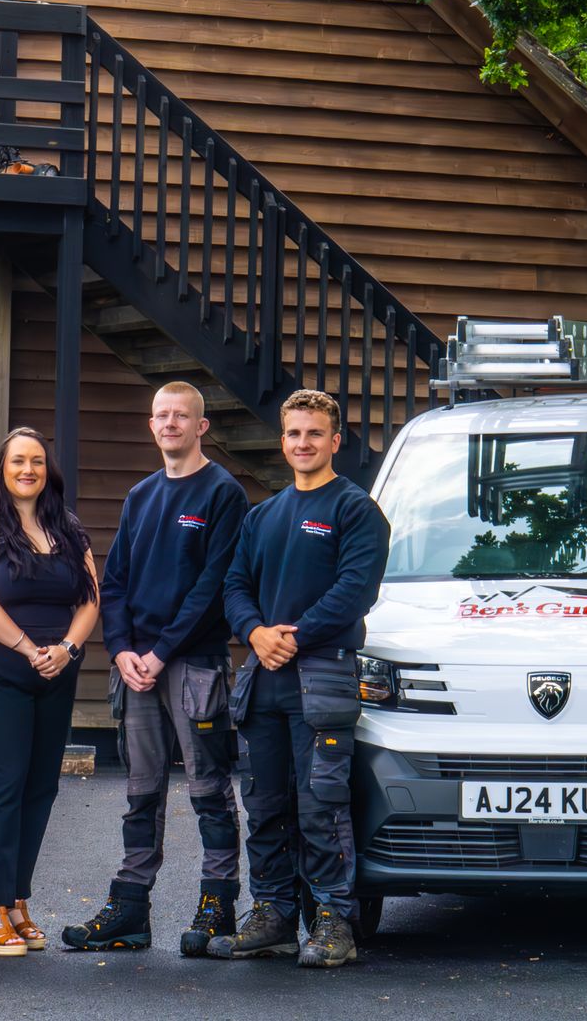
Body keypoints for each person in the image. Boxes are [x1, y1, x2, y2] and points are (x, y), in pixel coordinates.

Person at [63, 382, 249, 955]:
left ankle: (217, 905)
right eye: (161, 415)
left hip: (191, 665)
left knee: (208, 791)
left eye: (181, 416)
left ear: (202, 427)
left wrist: (160, 650)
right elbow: (113, 580)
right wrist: (120, 648)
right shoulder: (140, 495)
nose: (170, 423)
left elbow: (213, 588)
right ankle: (130, 908)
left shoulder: (223, 493)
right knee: (141, 792)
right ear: (151, 425)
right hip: (134, 668)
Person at [211, 389, 389, 968]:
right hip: (262, 682)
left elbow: (355, 591)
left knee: (322, 805)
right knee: (264, 804)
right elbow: (234, 584)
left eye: (314, 433)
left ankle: (334, 921)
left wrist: (293, 636)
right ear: (282, 441)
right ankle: (274, 916)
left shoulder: (356, 510)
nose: (303, 443)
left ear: (335, 441)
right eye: (293, 434)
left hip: (323, 679)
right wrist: (256, 633)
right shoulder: (262, 516)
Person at [0, 427, 100, 957]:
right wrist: (27, 648)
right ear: (3, 466)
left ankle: (17, 900)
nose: (28, 470)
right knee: (5, 785)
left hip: (56, 670)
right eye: (18, 461)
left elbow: (89, 599)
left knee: (42, 787)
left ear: (47, 469)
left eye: (37, 461)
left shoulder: (67, 526)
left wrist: (65, 648)